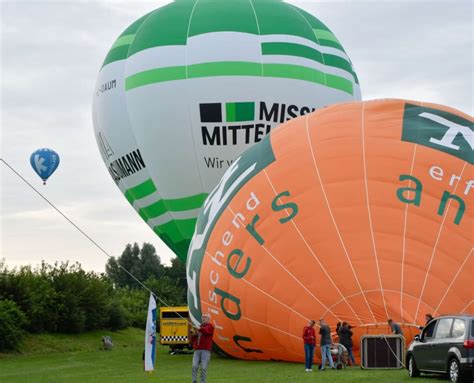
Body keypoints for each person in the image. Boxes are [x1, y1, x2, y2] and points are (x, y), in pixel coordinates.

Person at [191, 313, 214, 383]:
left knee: (204, 368)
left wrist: (199, 328)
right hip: (197, 350)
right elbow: (193, 339)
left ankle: (203, 381)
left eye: (205, 317)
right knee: (194, 366)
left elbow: (206, 331)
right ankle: (194, 381)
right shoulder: (200, 327)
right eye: (202, 317)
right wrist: (193, 334)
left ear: (208, 319)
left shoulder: (210, 326)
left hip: (205, 351)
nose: (203, 318)